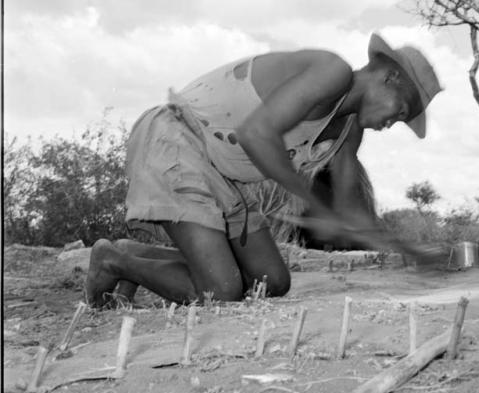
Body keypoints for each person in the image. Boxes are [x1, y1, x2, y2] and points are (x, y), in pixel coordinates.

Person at [86, 33, 442, 308]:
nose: (392, 122)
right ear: (390, 77)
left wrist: (407, 251)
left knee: (271, 281)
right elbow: (256, 135)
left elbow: (351, 209)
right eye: (401, 110)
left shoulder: (350, 130)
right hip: (179, 138)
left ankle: (136, 252)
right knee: (221, 291)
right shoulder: (331, 72)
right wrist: (315, 206)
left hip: (223, 174)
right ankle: (113, 260)